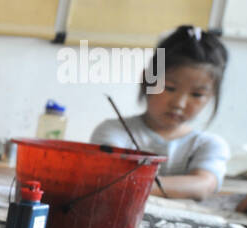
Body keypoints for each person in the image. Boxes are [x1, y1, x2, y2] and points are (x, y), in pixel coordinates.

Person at [90, 25, 229, 200]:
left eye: (197, 94)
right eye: (169, 88)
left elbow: (204, 185)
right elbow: (107, 177)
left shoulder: (208, 145)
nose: (179, 103)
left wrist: (134, 183)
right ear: (147, 81)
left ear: (211, 96)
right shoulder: (114, 131)